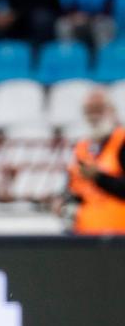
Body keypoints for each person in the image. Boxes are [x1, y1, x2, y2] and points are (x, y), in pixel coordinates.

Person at [58, 87, 125, 234]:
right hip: (86, 235)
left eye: (98, 109)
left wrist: (99, 177)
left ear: (112, 111)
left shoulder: (122, 142)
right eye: (89, 110)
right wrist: (63, 202)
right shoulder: (82, 148)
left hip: (119, 235)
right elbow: (74, 189)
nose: (94, 115)